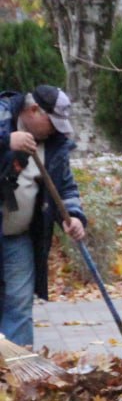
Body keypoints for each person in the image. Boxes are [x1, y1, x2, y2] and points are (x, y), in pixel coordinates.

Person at [0, 86, 88, 348]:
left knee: (19, 305)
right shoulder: (3, 116)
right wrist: (6, 142)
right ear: (33, 110)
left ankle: (19, 375)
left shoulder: (53, 146)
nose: (55, 130)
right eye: (52, 121)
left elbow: (66, 187)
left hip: (18, 237)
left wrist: (73, 217)